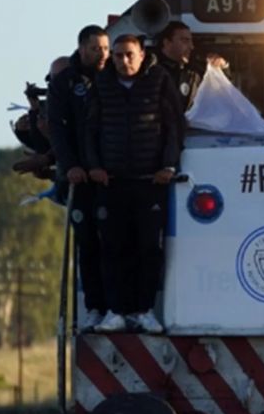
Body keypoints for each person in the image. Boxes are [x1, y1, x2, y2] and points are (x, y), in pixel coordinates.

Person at [85, 34, 182, 334]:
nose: (123, 61)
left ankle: (144, 310)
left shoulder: (159, 80)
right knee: (113, 249)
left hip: (149, 181)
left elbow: (174, 125)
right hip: (111, 183)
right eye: (117, 56)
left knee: (148, 249)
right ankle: (115, 311)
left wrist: (168, 165)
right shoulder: (101, 85)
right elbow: (89, 129)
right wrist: (94, 166)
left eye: (129, 54)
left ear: (142, 55)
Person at [47, 27, 110, 328]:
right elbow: (58, 130)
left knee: (117, 243)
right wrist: (70, 165)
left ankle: (121, 308)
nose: (102, 55)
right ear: (82, 49)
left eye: (105, 49)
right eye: (96, 48)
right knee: (88, 244)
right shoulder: (65, 83)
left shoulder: (114, 77)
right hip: (79, 178)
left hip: (111, 176)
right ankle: (95, 307)